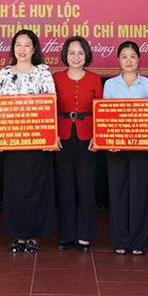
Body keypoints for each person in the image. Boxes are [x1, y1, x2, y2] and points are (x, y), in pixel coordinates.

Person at [0, 28, 57, 253]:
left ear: (34, 50)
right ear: (13, 49)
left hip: (37, 141)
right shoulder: (4, 74)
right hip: (12, 142)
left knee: (35, 188)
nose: (22, 49)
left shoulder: (42, 73)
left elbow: (51, 104)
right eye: (18, 45)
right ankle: (19, 236)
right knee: (15, 189)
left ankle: (33, 237)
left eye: (27, 45)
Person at [104, 40, 148, 255]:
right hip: (116, 147)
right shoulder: (110, 84)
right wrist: (110, 140)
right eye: (124, 56)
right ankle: (120, 239)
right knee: (118, 192)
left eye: (132, 56)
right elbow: (105, 116)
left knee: (140, 192)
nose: (128, 60)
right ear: (118, 60)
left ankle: (138, 240)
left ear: (139, 59)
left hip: (141, 147)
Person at [54, 35, 103, 251]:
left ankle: (85, 234)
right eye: (72, 53)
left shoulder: (94, 79)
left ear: (86, 56)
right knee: (65, 185)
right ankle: (66, 234)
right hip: (62, 137)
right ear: (66, 55)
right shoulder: (55, 78)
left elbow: (100, 110)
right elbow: (49, 109)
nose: (76, 57)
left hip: (87, 137)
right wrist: (52, 135)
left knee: (86, 185)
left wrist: (97, 136)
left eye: (80, 53)